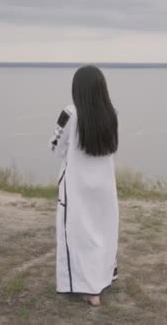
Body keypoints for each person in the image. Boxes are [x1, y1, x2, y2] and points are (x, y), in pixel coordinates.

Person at [49, 65, 119, 306]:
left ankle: (89, 289)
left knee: (78, 235)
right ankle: (100, 280)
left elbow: (55, 146)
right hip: (105, 186)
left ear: (77, 88)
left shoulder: (69, 113)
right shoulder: (111, 114)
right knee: (103, 232)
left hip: (76, 186)